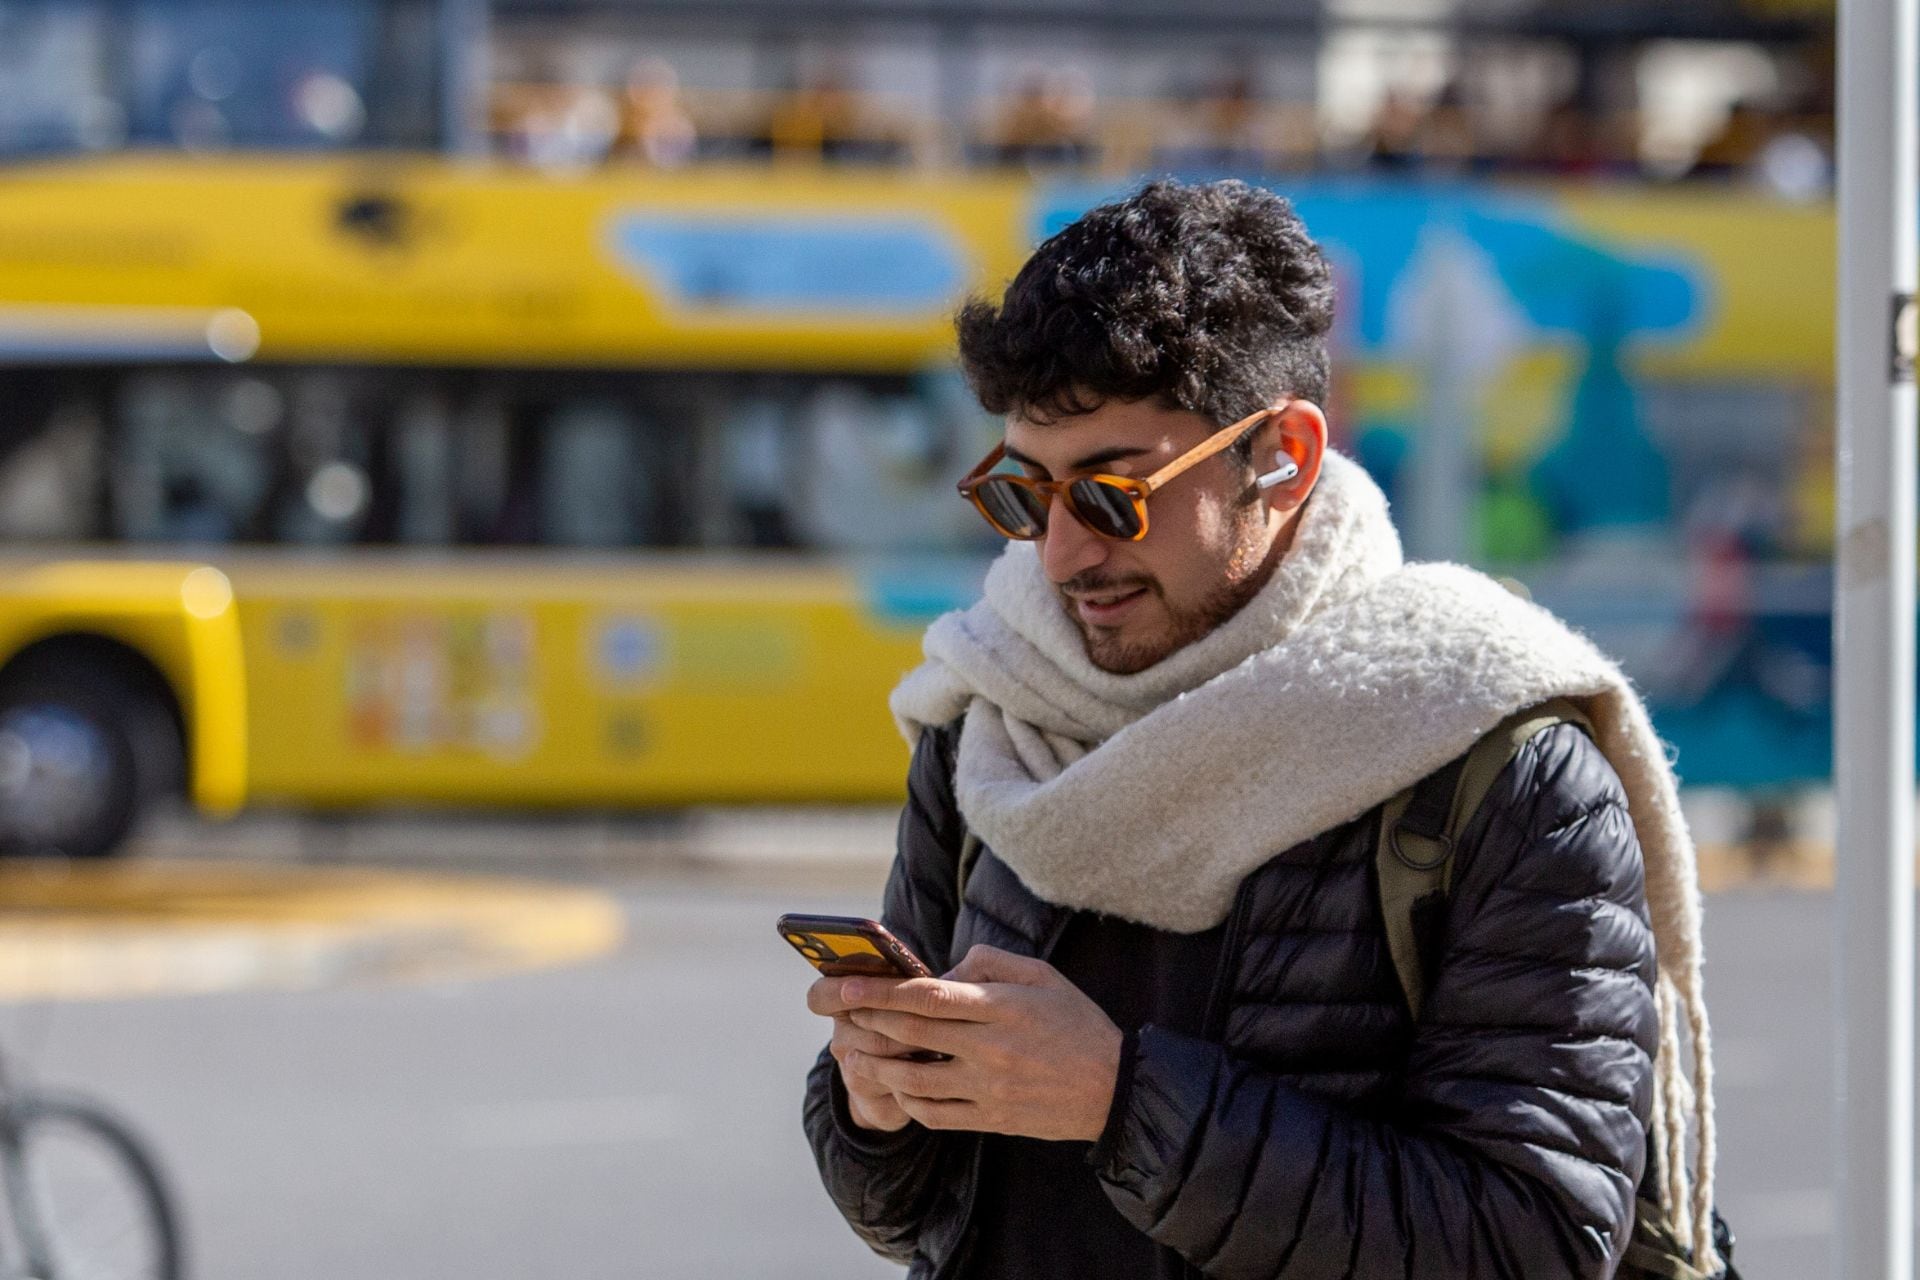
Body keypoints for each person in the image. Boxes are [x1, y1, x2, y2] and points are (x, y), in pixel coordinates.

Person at [800, 178, 1722, 1280]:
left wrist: (1119, 1100)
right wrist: (877, 1100)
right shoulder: (993, 712)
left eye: (1110, 494)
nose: (1059, 555)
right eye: (1025, 494)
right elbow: (916, 1215)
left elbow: (1534, 1238)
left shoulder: (1495, 755)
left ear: (1281, 453)